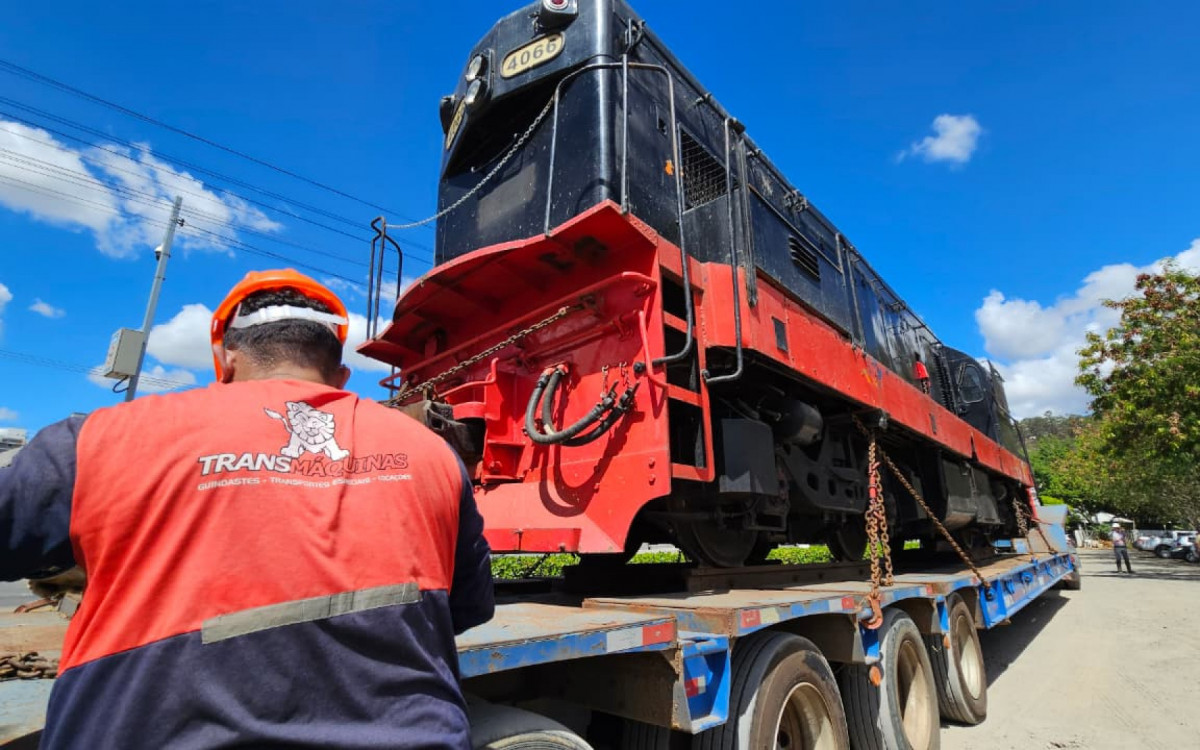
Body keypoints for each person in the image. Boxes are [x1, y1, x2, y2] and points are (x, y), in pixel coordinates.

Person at [0, 269, 494, 749]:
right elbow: (469, 606)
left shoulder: (98, 439)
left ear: (226, 357)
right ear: (341, 374)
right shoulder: (433, 454)